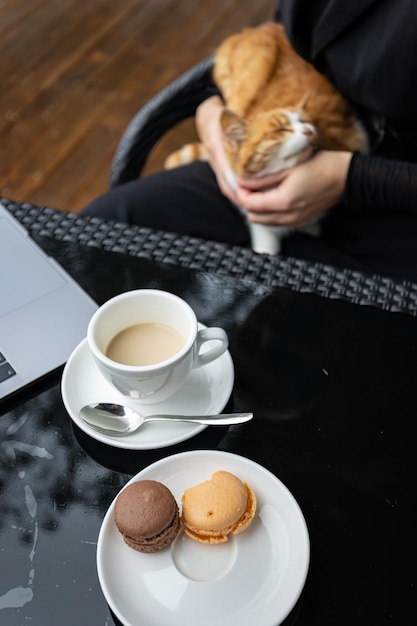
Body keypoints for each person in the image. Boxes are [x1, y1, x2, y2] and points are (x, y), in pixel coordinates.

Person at [82, 0, 417, 284]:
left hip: (394, 208)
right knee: (100, 230)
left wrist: (352, 178)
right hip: (298, 149)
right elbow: (286, 36)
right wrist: (218, 112)